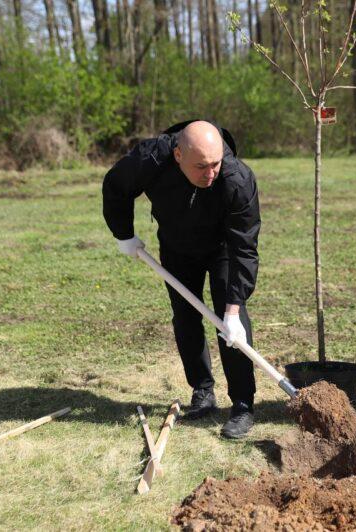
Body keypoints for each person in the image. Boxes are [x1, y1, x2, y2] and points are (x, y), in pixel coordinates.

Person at [102, 120, 261, 439]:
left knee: (231, 320)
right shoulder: (150, 159)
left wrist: (232, 310)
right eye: (200, 166)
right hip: (176, 246)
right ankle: (202, 391)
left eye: (215, 164)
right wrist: (124, 234)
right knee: (185, 315)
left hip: (223, 247)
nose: (210, 173)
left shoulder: (238, 179)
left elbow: (244, 246)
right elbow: (116, 185)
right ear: (178, 155)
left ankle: (243, 404)